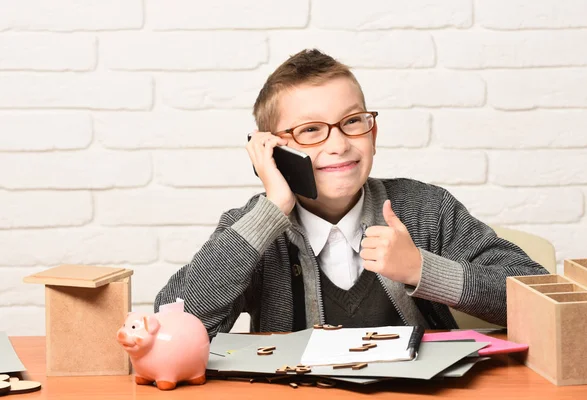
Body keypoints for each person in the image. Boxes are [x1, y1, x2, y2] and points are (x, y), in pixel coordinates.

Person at [154, 49, 547, 338]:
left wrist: (419, 268)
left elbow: (539, 296)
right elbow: (176, 322)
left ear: (372, 133)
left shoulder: (426, 208)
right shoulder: (251, 231)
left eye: (352, 122)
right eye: (310, 130)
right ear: (272, 150)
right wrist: (271, 210)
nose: (339, 144)